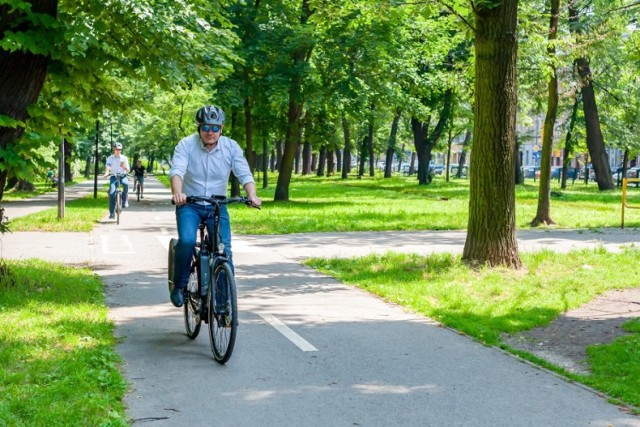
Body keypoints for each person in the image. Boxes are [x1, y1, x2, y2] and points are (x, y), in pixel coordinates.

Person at [169, 105, 261, 307]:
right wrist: (178, 193)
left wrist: (252, 195)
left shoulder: (231, 147)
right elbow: (177, 171)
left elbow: (244, 173)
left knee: (224, 251)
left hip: (217, 207)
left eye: (215, 127)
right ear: (199, 128)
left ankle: (222, 305)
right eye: (206, 128)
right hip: (190, 205)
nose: (210, 132)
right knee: (186, 241)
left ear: (221, 128)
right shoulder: (186, 145)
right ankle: (179, 285)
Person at [104, 142, 130, 219]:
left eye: (120, 150)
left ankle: (125, 201)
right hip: (114, 176)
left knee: (126, 184)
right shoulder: (110, 158)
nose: (118, 151)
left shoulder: (124, 158)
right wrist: (106, 173)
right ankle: (112, 213)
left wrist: (124, 167)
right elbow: (108, 166)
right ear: (114, 149)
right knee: (112, 193)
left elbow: (128, 170)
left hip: (122, 176)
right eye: (117, 149)